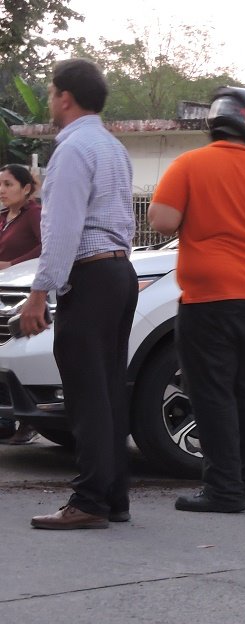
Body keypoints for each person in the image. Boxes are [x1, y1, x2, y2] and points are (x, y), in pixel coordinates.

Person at [147, 87, 245, 514]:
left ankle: (223, 490)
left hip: (208, 302)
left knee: (213, 394)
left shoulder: (189, 165)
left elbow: (163, 222)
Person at [22, 59, 139, 530]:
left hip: (89, 278)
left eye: (51, 94)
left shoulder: (72, 151)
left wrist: (38, 292)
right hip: (118, 274)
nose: (50, 102)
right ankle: (113, 496)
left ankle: (89, 500)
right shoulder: (112, 147)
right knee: (108, 391)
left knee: (88, 396)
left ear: (64, 97)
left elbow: (62, 228)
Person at [0, 163, 44, 445]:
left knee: (23, 355)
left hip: (28, 297)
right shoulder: (4, 217)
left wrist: (13, 263)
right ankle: (5, 421)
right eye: (0, 184)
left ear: (26, 188)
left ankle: (31, 421)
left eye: (8, 184)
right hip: (3, 294)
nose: (2, 190)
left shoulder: (35, 214)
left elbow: (46, 247)